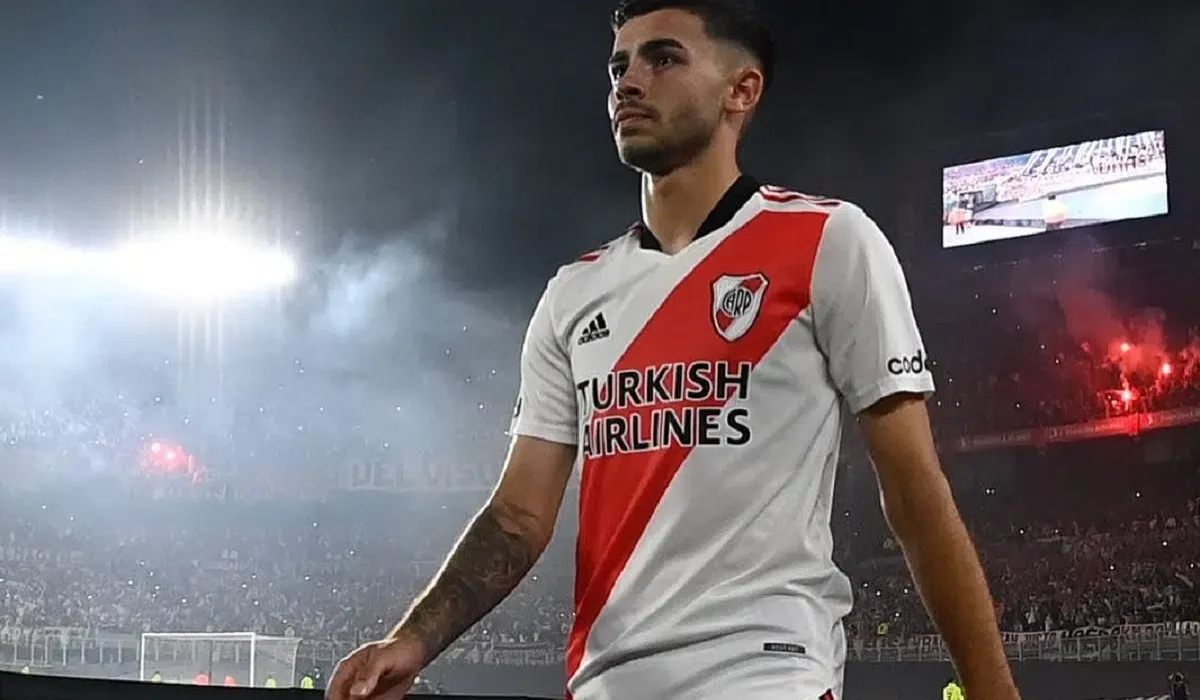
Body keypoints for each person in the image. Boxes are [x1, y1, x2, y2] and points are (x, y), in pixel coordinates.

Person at [326, 1, 1020, 699]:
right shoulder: (574, 293)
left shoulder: (830, 241)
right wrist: (412, 639)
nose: (628, 83)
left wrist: (994, 693)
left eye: (663, 59)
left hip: (766, 675)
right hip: (605, 683)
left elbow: (913, 491)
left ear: (740, 91)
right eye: (618, 67)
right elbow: (517, 516)